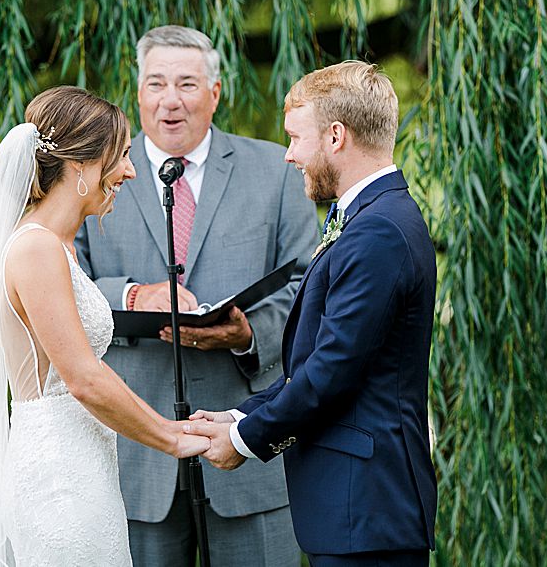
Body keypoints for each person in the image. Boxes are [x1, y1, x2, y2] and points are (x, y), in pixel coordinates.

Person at [74, 25, 317, 565]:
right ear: (137, 93)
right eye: (155, 83)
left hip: (248, 447)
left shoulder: (274, 171)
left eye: (186, 84)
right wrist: (136, 295)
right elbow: (66, 280)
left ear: (215, 92)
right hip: (134, 452)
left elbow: (308, 285)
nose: (170, 101)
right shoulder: (90, 176)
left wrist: (249, 334)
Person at [185, 61, 438, 566]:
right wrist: (242, 413)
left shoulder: (378, 232)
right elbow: (321, 364)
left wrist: (244, 438)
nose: (289, 155)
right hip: (354, 508)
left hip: (367, 510)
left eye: (297, 138)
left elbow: (332, 372)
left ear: (336, 137)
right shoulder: (370, 218)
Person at [0, 86, 212, 566]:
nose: (131, 172)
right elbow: (85, 379)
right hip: (58, 479)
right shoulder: (36, 249)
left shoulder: (59, 247)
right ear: (80, 167)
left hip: (83, 466)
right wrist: (172, 438)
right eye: (122, 157)